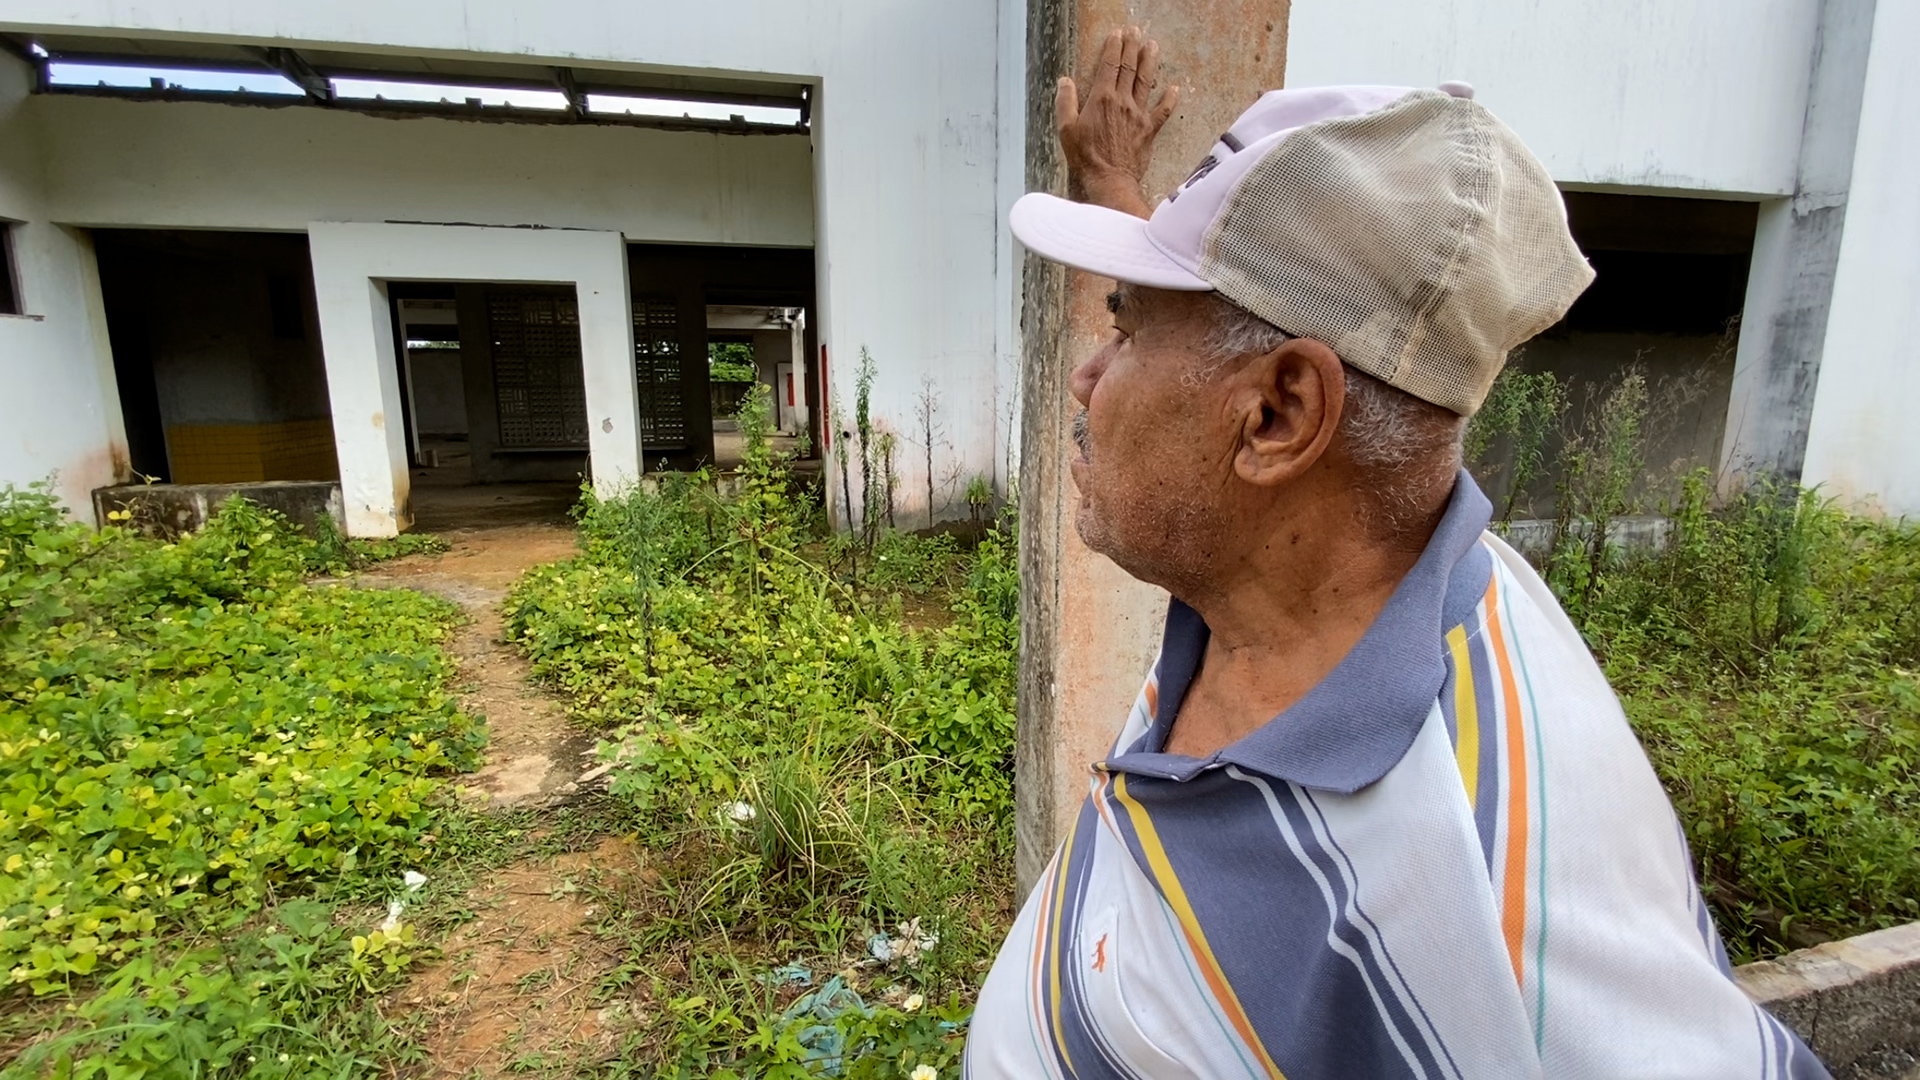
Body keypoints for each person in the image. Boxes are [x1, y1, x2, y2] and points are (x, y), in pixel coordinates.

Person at [963, 25, 1829, 1080]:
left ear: (1279, 417)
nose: (1091, 376)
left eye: (1127, 327)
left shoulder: (1474, 895)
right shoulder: (1302, 579)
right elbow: (1213, 357)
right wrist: (1115, 188)